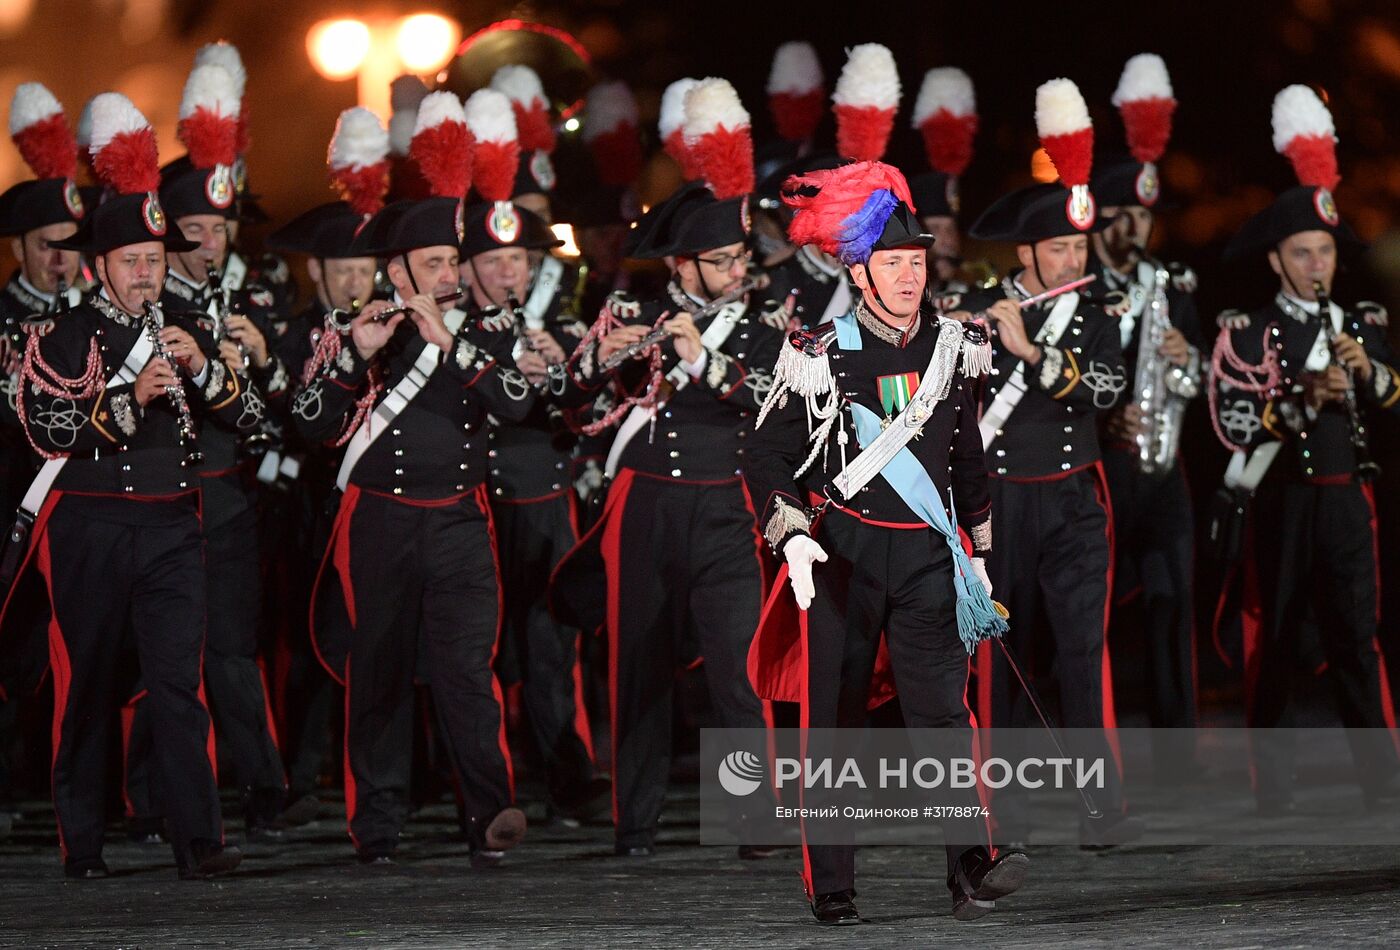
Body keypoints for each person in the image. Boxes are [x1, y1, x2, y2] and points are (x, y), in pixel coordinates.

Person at [745, 159, 1029, 924]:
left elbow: (968, 456)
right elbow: (767, 454)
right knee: (833, 719)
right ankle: (831, 882)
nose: (909, 276)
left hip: (929, 555)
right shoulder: (819, 350)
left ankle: (971, 864)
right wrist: (792, 533)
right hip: (844, 553)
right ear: (860, 271)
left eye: (916, 261)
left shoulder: (952, 344)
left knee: (944, 715)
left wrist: (976, 549)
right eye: (893, 263)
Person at [3, 93, 259, 879]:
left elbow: (250, 417)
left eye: (154, 260)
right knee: (84, 688)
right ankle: (82, 842)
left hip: (173, 526)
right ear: (99, 266)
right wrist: (127, 399)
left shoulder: (189, 324)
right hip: (90, 526)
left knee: (178, 686)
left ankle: (199, 838)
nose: (147, 274)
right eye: (132, 262)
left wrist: (206, 367)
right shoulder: (61, 333)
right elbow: (44, 427)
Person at [292, 92, 532, 866]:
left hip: (461, 519)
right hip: (380, 521)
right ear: (395, 270)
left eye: (449, 262)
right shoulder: (358, 331)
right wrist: (356, 358)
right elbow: (311, 423)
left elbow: (520, 403)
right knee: (381, 672)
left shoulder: (485, 330)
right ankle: (379, 825)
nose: (448, 275)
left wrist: (451, 343)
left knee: (468, 671)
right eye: (432, 265)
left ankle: (491, 814)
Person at [550, 78, 786, 858]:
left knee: (735, 669)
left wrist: (701, 356)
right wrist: (610, 356)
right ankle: (635, 823)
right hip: (644, 503)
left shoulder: (765, 326)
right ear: (683, 265)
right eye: (721, 260)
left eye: (741, 256)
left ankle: (752, 820)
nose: (737, 270)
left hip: (725, 507)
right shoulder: (637, 313)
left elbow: (771, 402)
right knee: (638, 662)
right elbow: (571, 393)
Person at [954, 78, 1137, 848]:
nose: (1072, 258)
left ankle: (1100, 803)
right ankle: (1005, 808)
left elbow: (1106, 388)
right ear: (1025, 252)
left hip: (1071, 501)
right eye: (1058, 247)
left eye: (1078, 247)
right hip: (997, 505)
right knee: (999, 654)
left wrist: (1034, 352)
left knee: (1079, 647)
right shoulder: (971, 309)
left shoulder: (1097, 317)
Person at [1210, 85, 1400, 813]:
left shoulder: (1362, 318)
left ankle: (1380, 781)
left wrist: (1366, 370)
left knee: (1359, 638)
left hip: (1350, 496)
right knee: (1277, 640)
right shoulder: (1249, 331)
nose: (1317, 264)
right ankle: (1273, 788)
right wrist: (1298, 400)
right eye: (1302, 252)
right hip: (1283, 503)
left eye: (1325, 250)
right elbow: (1231, 426)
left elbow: (1392, 399)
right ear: (1276, 260)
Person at [459, 199, 610, 822]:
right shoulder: (449, 332)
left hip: (545, 503)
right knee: (473, 649)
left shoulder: (563, 329)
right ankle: (476, 785)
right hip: (475, 505)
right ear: (467, 269)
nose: (506, 274)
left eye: (516, 259)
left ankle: (569, 779)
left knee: (551, 649)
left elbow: (594, 417)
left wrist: (565, 371)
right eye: (492, 261)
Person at [1088, 54, 1204, 775]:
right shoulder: (1080, 284)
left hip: (1160, 467)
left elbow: (1200, 378)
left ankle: (1176, 748)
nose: (1136, 225)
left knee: (1172, 600)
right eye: (1124, 212)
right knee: (1087, 616)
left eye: (1144, 213)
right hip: (1099, 465)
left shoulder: (1172, 282)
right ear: (1100, 213)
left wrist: (1184, 352)